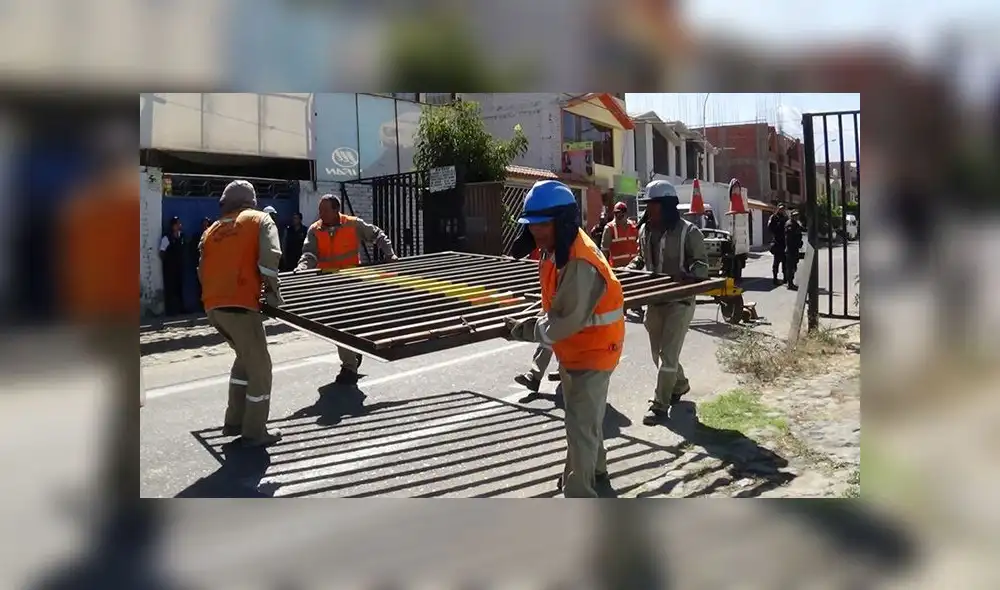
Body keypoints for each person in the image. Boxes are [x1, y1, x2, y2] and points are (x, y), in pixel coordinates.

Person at [504, 180, 626, 498]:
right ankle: (596, 471)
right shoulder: (556, 248)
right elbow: (555, 302)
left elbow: (564, 320)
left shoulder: (579, 259)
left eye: (543, 225)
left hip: (593, 351)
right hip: (576, 350)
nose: (537, 232)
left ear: (562, 221)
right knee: (585, 419)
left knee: (580, 426)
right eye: (532, 226)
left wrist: (522, 329)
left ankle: (579, 495)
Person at [199, 180, 284, 447]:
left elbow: (201, 269)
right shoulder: (260, 220)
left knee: (244, 360)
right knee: (261, 369)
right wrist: (273, 295)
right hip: (241, 304)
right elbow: (270, 260)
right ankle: (255, 432)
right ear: (252, 201)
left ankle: (233, 421)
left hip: (214, 306)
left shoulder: (211, 230)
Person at [295, 194, 398, 384]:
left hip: (353, 284)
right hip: (329, 285)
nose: (321, 214)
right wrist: (302, 268)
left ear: (336, 210)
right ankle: (350, 363)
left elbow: (377, 234)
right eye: (320, 210)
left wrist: (389, 254)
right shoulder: (315, 229)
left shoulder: (353, 224)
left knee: (351, 324)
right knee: (336, 325)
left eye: (325, 210)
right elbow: (309, 253)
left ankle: (350, 359)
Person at [630, 179, 709, 425]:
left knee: (668, 354)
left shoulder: (689, 232)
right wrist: (628, 271)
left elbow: (703, 266)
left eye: (652, 205)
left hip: (680, 301)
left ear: (666, 206)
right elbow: (640, 259)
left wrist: (688, 274)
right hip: (655, 301)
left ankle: (660, 405)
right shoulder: (644, 231)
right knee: (658, 354)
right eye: (647, 205)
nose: (648, 210)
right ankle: (681, 384)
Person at [159, 216, 186, 315]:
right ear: (173, 226)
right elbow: (162, 252)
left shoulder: (181, 236)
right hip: (170, 268)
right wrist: (168, 262)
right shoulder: (167, 238)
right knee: (170, 288)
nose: (179, 225)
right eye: (177, 224)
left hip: (179, 266)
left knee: (179, 287)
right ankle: (170, 311)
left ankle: (181, 309)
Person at [601, 201, 640, 268]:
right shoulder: (609, 229)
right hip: (618, 270)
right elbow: (604, 252)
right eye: (616, 214)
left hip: (634, 269)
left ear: (626, 214)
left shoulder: (634, 226)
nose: (618, 216)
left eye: (621, 214)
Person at [190, 217, 212, 311]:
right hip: (202, 264)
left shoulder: (214, 235)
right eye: (204, 225)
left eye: (207, 225)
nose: (205, 227)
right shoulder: (198, 237)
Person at [767, 205, 789, 285]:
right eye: (780, 209)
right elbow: (770, 228)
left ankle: (785, 278)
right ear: (777, 209)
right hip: (777, 242)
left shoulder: (786, 218)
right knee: (776, 262)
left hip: (784, 243)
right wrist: (779, 224)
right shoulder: (774, 218)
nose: (782, 210)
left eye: (783, 209)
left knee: (785, 262)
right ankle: (775, 278)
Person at [784, 210, 805, 291]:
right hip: (790, 249)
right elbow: (790, 238)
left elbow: (801, 230)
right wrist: (798, 242)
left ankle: (791, 282)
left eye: (797, 215)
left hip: (795, 249)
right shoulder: (790, 224)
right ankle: (790, 283)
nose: (796, 217)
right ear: (791, 216)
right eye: (795, 215)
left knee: (794, 266)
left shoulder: (796, 223)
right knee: (790, 267)